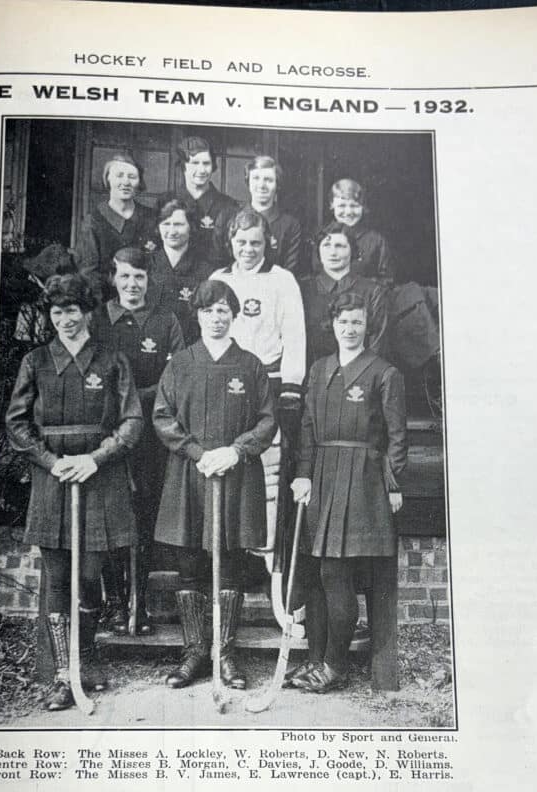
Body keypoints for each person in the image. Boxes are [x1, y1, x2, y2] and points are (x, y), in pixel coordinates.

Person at [5, 272, 143, 711]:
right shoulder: (36, 362)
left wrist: (95, 459)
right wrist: (52, 461)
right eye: (57, 311)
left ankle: (87, 658)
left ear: (87, 313)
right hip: (54, 479)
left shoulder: (111, 360)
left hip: (99, 477)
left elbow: (132, 421)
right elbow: (17, 423)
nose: (65, 319)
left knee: (90, 576)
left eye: (73, 311)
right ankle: (64, 674)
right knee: (60, 577)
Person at [153, 280, 277, 690]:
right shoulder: (181, 363)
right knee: (189, 563)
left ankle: (225, 653)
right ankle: (193, 652)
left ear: (234, 315)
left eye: (224, 309)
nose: (217, 317)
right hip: (192, 474)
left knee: (231, 565)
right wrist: (197, 452)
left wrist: (237, 450)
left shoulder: (251, 365)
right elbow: (162, 415)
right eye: (209, 311)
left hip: (236, 476)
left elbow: (267, 419)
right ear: (199, 316)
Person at [288, 292, 407, 693]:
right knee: (318, 574)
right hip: (321, 477)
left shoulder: (383, 373)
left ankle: (334, 667)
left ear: (366, 326)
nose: (349, 329)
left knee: (337, 575)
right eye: (343, 322)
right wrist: (303, 474)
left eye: (356, 322)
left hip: (361, 480)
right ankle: (315, 661)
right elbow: (306, 429)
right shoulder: (319, 369)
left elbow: (397, 438)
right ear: (333, 325)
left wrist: (391, 484)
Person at [91, 247, 185, 636]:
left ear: (150, 280)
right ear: (113, 278)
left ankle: (139, 603)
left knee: (143, 516)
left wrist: (139, 402)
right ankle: (115, 604)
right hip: (107, 433)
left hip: (151, 435)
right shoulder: (97, 321)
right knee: (113, 515)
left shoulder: (166, 322)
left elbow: (175, 376)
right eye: (125, 276)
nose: (132, 284)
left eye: (140, 277)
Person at [210, 208, 306, 554]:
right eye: (241, 242)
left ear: (267, 243)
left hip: (269, 381)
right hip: (226, 384)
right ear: (230, 242)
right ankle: (228, 553)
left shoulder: (282, 279)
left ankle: (265, 555)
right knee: (228, 458)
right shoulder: (218, 278)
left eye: (255, 242)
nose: (248, 249)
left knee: (267, 469)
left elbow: (294, 335)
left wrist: (291, 386)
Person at [299, 222, 390, 366]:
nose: (333, 252)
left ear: (353, 251)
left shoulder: (373, 291)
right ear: (318, 251)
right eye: (326, 246)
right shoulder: (303, 289)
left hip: (359, 375)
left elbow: (377, 344)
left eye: (340, 246)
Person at [73, 150, 157, 298]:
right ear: (108, 179)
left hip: (146, 299)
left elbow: (159, 265)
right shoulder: (94, 221)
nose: (125, 182)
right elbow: (88, 273)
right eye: (119, 176)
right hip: (107, 301)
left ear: (139, 182)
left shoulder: (151, 218)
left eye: (132, 177)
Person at [148, 198, 218, 345]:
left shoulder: (206, 271)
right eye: (166, 224)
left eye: (179, 224)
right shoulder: (145, 265)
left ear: (191, 227)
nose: (172, 231)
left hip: (190, 347)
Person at [217, 155, 302, 274]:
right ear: (248, 181)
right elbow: (219, 263)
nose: (261, 185)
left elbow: (290, 271)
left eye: (268, 180)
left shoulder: (290, 225)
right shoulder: (227, 217)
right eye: (256, 178)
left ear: (277, 184)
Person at [159, 136, 239, 261]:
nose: (201, 170)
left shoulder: (228, 205)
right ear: (183, 165)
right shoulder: (165, 201)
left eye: (206, 163)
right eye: (195, 163)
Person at [324, 178, 394, 285]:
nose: (348, 212)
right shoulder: (321, 238)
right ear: (332, 205)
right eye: (342, 206)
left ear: (363, 207)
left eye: (354, 206)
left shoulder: (376, 240)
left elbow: (387, 279)